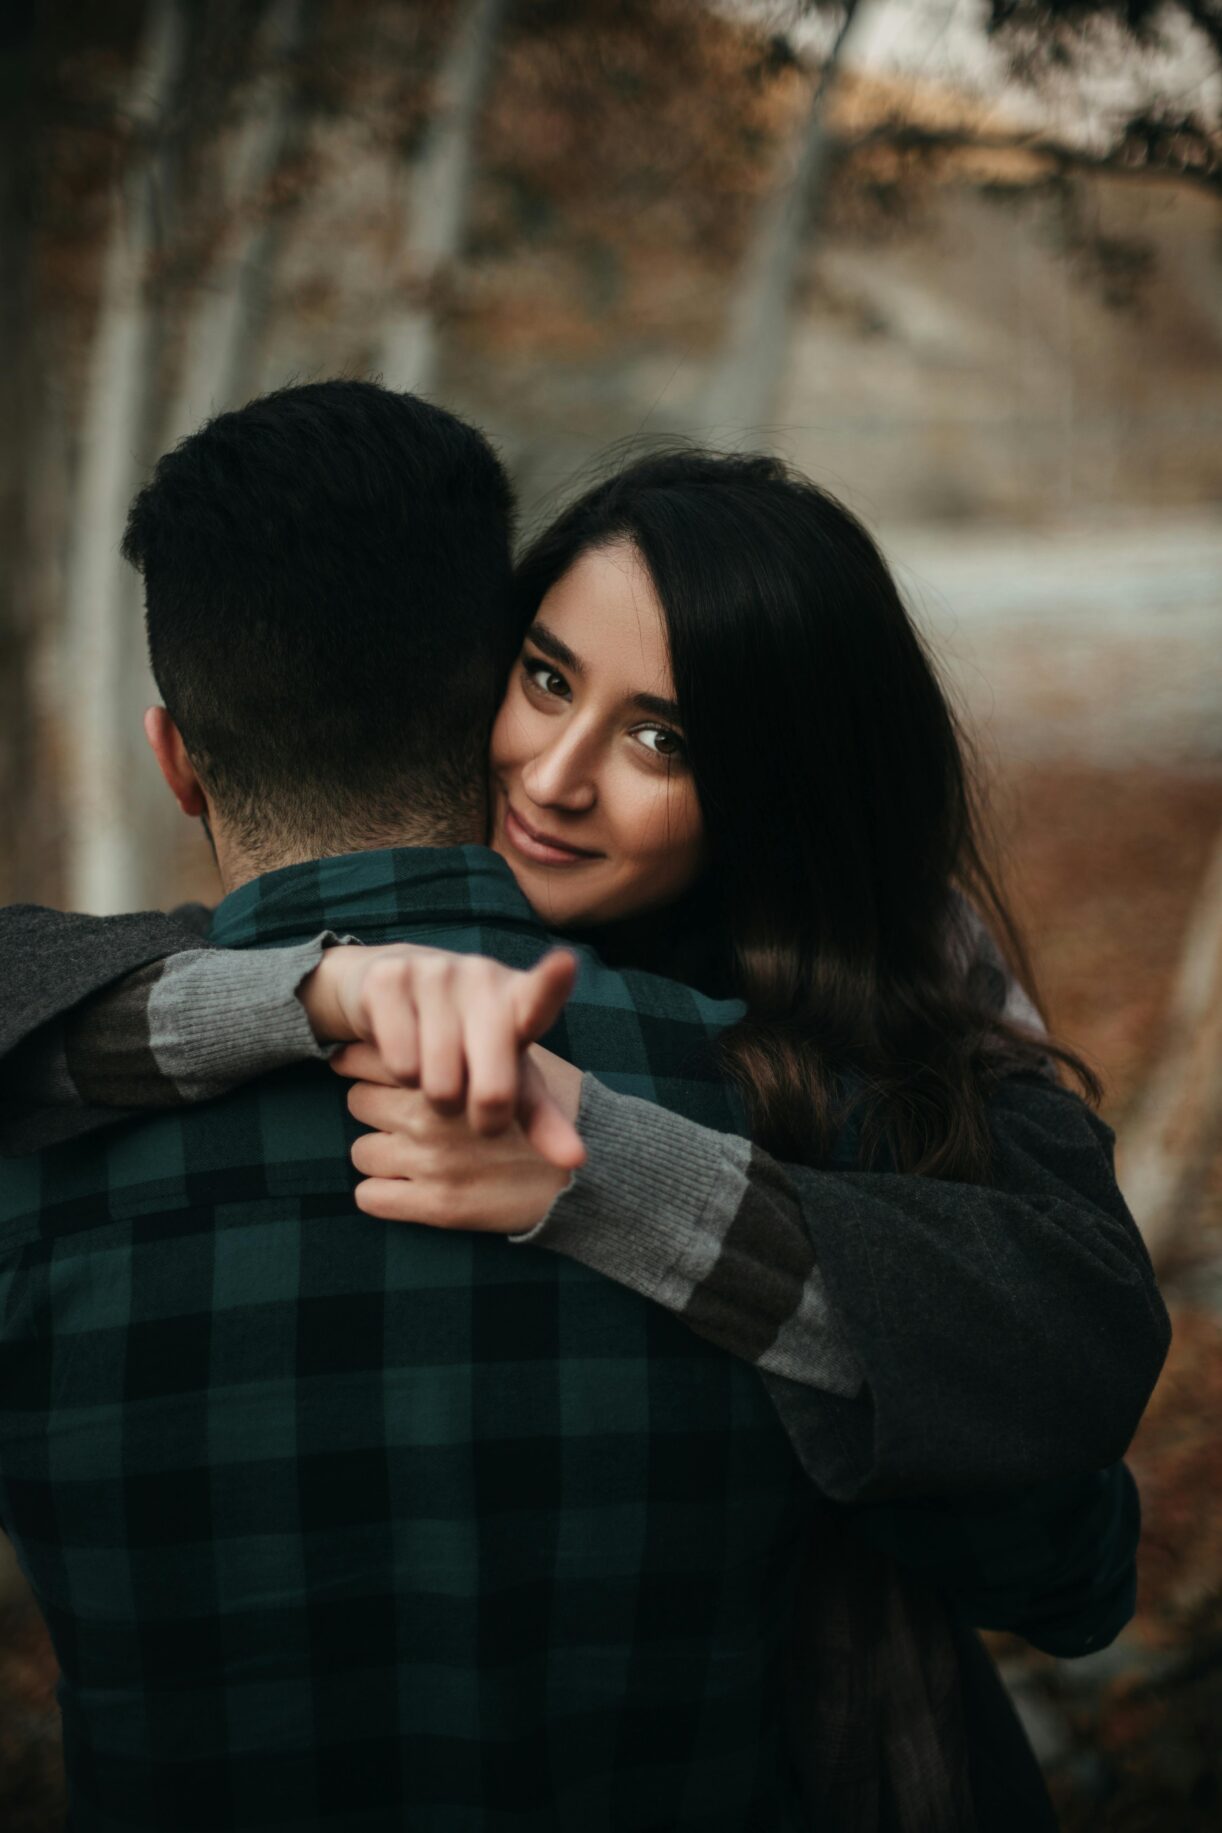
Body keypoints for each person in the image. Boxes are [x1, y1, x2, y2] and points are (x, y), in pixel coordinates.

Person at [0, 398, 1163, 1828]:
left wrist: (617, 1174)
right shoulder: (188, 1001)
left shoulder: (850, 1066)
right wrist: (307, 995)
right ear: (468, 677)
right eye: (544, 678)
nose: (552, 780)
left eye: (663, 738)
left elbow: (1074, 1514)